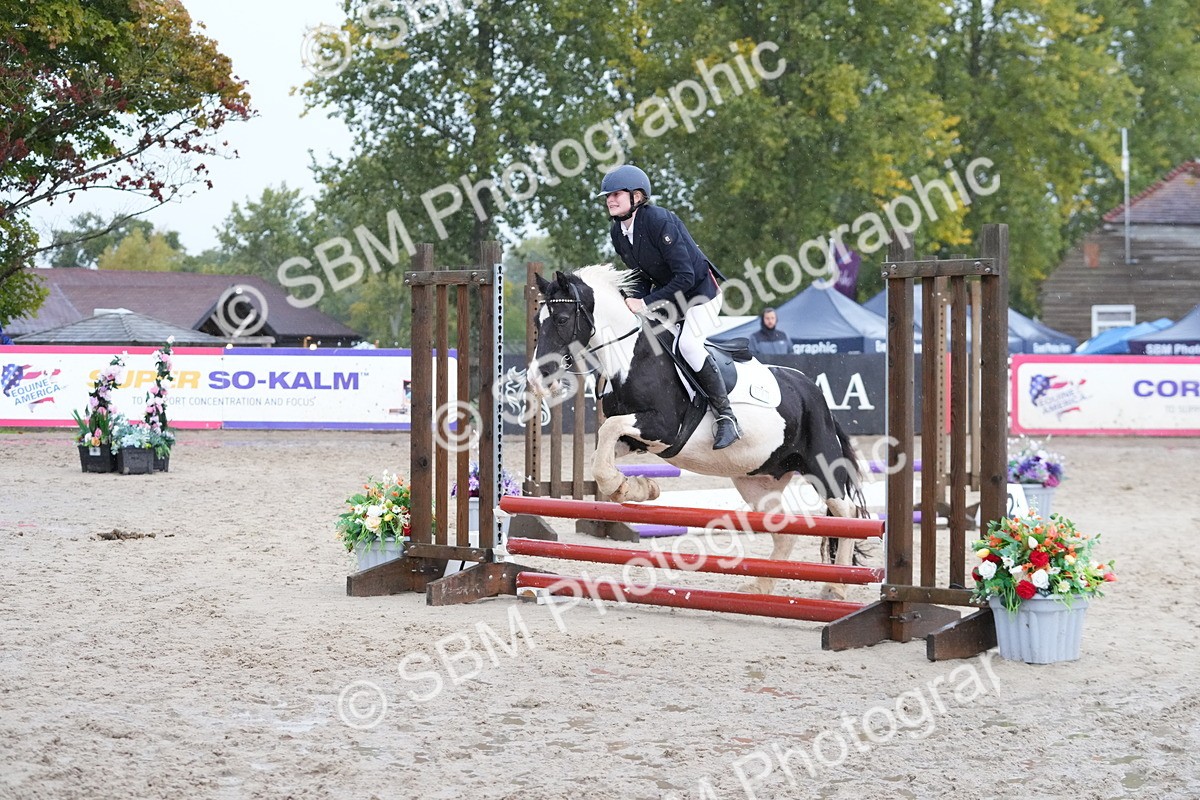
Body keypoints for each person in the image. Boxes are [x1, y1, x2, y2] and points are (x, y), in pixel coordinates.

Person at [598, 164, 740, 450]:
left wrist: (645, 302)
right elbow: (640, 275)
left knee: (688, 345)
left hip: (700, 294)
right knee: (646, 341)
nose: (610, 200)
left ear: (637, 196)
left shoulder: (658, 221)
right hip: (670, 298)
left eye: (616, 194)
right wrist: (631, 303)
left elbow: (685, 276)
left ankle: (726, 416)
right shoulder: (618, 232)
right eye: (608, 196)